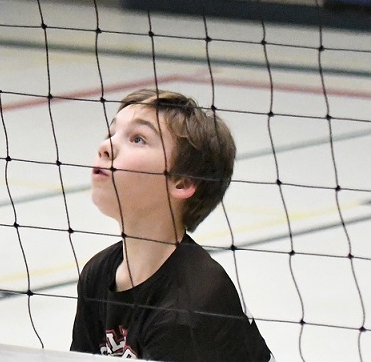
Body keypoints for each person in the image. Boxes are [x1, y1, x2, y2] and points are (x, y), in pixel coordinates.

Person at [70, 89, 271, 360]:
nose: (106, 146)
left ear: (182, 182)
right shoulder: (98, 274)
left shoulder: (186, 310)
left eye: (137, 139)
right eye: (111, 133)